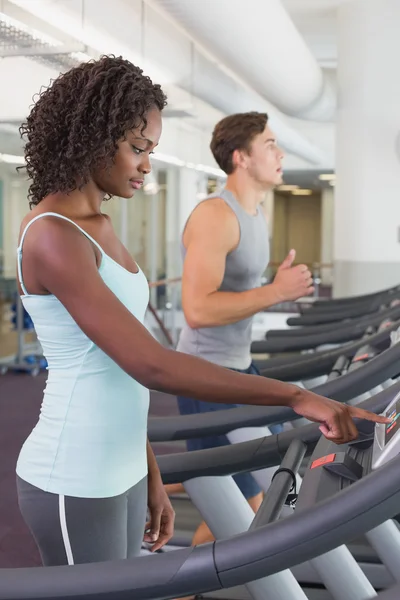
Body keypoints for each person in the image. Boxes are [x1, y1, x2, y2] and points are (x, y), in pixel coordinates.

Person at [14, 56, 389, 569]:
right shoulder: (53, 235)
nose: (146, 165)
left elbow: (117, 376)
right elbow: (150, 364)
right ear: (93, 139)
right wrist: (297, 398)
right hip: (72, 470)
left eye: (152, 150)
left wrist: (148, 473)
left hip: (121, 462)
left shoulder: (97, 222)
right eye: (138, 148)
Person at [167, 111, 327, 546]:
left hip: (238, 367)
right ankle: (178, 590)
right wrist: (276, 292)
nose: (281, 153)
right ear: (241, 157)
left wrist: (277, 289)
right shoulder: (217, 216)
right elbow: (197, 309)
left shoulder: (255, 214)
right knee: (247, 506)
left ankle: (153, 485)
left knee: (264, 480)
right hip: (206, 375)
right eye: (270, 144)